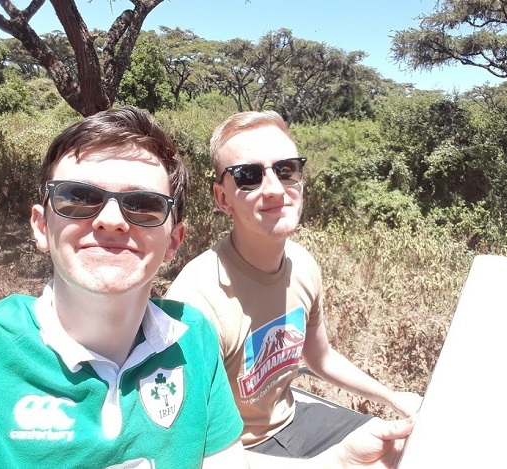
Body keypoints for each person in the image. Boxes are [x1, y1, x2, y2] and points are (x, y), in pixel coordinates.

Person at [0, 106, 413, 469]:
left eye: (143, 205)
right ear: (41, 225)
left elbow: (225, 455)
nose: (110, 219)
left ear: (173, 241)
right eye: (77, 197)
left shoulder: (187, 338)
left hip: (286, 421)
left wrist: (383, 409)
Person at [165, 110, 423, 459]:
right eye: (248, 176)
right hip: (237, 451)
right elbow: (190, 449)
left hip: (293, 419)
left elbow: (321, 357)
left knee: (409, 452)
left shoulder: (302, 264)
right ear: (222, 198)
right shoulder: (196, 302)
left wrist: (394, 397)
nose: (274, 189)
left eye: (286, 170)